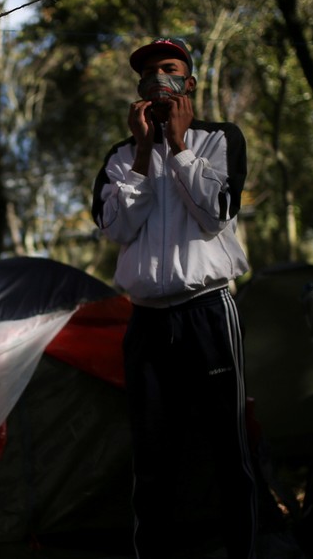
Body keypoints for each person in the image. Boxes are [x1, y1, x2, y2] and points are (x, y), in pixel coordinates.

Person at [91, 37, 257, 558]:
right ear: (139, 90)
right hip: (146, 322)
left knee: (229, 449)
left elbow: (216, 212)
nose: (158, 79)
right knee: (152, 458)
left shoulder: (220, 139)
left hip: (209, 312)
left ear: (189, 84)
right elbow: (116, 227)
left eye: (170, 70)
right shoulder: (120, 156)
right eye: (148, 74)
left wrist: (180, 146)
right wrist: (143, 152)